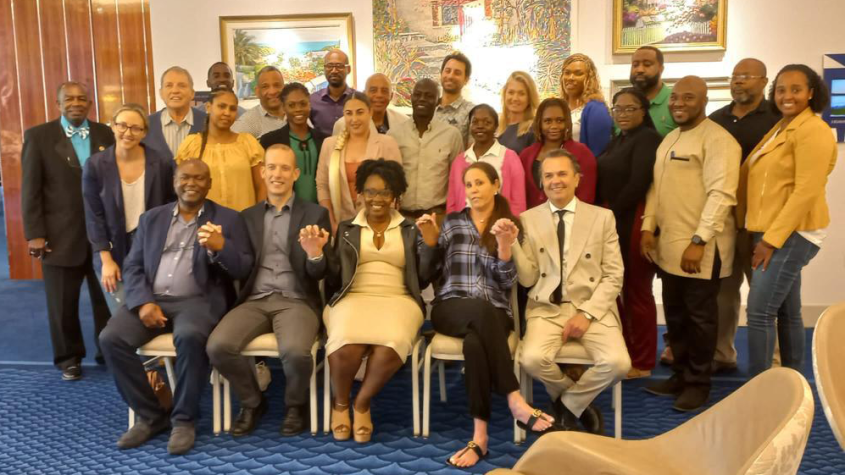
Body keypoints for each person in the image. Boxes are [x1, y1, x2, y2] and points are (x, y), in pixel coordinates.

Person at [99, 159, 253, 454]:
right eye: (185, 177)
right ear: (174, 181)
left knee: (190, 337)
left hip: (198, 301)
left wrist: (220, 248)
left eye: (199, 178)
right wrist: (143, 302)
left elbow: (243, 268)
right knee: (111, 339)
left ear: (209, 184)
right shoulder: (151, 219)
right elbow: (132, 267)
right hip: (152, 299)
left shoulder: (229, 219)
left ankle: (184, 420)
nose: (191, 183)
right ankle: (152, 415)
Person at [418, 162, 555, 468]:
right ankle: (515, 400)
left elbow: (507, 284)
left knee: (475, 344)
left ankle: (479, 438)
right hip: (450, 307)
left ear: (496, 184)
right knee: (479, 311)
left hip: (494, 312)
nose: (474, 190)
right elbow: (427, 274)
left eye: (480, 183)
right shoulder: (451, 223)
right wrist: (429, 243)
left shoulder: (507, 225)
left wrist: (505, 246)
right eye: (468, 185)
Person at [207, 145, 332, 437]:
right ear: (262, 172)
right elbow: (238, 268)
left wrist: (315, 255)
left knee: (296, 353)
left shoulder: (315, 213)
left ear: (295, 174)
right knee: (218, 346)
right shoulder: (245, 217)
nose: (278, 174)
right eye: (272, 167)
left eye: (285, 168)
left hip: (296, 299)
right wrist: (219, 250)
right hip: (254, 299)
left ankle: (295, 405)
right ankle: (253, 402)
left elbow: (322, 272)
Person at [641, 76, 740, 412]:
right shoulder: (669, 138)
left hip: (700, 250)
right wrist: (647, 227)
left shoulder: (719, 141)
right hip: (668, 249)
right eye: (676, 97)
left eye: (689, 97)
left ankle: (698, 384)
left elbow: (722, 195)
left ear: (704, 100)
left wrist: (699, 241)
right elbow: (656, 189)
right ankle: (681, 376)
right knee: (677, 316)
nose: (679, 103)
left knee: (700, 319)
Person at [513, 149, 629, 433]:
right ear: (541, 182)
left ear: (577, 178)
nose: (556, 181)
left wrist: (587, 314)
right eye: (548, 175)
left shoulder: (602, 218)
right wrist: (512, 243)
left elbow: (615, 275)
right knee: (530, 359)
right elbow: (528, 280)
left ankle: (564, 407)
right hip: (546, 307)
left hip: (592, 307)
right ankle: (581, 404)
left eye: (563, 174)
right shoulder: (527, 219)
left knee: (618, 363)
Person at [321, 159, 436, 443]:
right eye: (370, 192)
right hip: (353, 296)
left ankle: (361, 403)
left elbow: (422, 278)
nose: (377, 199)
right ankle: (340, 404)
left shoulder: (410, 229)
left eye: (385, 192)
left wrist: (432, 246)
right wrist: (318, 253)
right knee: (346, 340)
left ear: (395, 196)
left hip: (399, 298)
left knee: (392, 341)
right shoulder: (347, 227)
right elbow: (335, 276)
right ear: (360, 193)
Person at [738, 64, 837, 378]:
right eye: (781, 90)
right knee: (787, 311)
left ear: (811, 93)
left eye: (796, 89)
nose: (787, 95)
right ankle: (795, 383)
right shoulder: (783, 126)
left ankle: (760, 389)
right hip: (773, 229)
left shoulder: (814, 130)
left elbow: (806, 190)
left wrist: (770, 240)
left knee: (758, 312)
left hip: (792, 232)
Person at [21, 81, 113, 381]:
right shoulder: (39, 137)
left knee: (107, 299)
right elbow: (30, 190)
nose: (76, 103)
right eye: (69, 99)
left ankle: (107, 350)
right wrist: (35, 233)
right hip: (59, 235)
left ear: (89, 103)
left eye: (82, 99)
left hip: (102, 235)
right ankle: (69, 358)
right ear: (58, 104)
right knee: (62, 302)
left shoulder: (105, 134)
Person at [708, 58, 781, 373]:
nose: (738, 81)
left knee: (764, 298)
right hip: (723, 222)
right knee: (723, 295)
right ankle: (722, 353)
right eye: (735, 76)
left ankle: (774, 363)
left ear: (764, 81)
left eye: (746, 76)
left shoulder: (778, 120)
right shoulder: (715, 120)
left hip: (762, 224)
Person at [82, 104, 177, 312]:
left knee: (152, 309)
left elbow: (171, 207)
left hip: (151, 246)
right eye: (122, 125)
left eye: (135, 128)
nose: (128, 132)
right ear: (113, 127)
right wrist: (105, 259)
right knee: (124, 314)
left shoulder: (161, 162)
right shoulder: (95, 165)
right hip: (112, 249)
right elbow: (93, 217)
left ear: (144, 132)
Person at [595, 88, 662, 378]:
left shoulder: (648, 139)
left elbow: (638, 183)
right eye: (617, 108)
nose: (622, 113)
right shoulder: (619, 140)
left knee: (637, 291)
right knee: (617, 290)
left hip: (633, 218)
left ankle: (644, 361)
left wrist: (607, 216)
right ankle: (625, 349)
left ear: (643, 111)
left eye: (629, 108)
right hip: (614, 217)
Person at [317, 92, 402, 231]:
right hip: (341, 223)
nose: (354, 119)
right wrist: (332, 223)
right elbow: (322, 186)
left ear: (370, 112)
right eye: (349, 113)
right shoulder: (329, 145)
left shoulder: (387, 143)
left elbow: (397, 189)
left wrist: (384, 224)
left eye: (360, 112)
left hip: (380, 223)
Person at [175, 89, 266, 211]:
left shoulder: (248, 143)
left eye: (232, 109)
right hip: (205, 224)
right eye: (221, 106)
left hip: (244, 223)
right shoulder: (191, 145)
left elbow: (262, 186)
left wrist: (258, 218)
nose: (227, 113)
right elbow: (183, 188)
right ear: (208, 107)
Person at [387, 78, 463, 220]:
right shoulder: (394, 135)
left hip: (437, 217)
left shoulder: (451, 135)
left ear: (438, 101)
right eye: (418, 95)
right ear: (411, 98)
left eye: (429, 96)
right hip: (401, 217)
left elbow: (457, 181)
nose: (422, 99)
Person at [447, 104, 526, 215]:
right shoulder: (459, 162)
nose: (480, 126)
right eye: (475, 122)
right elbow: (452, 204)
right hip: (464, 229)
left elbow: (518, 204)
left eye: (487, 122)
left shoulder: (510, 158)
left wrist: (508, 228)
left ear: (496, 126)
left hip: (499, 228)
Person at [519, 98, 596, 207]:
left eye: (560, 120)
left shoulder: (582, 153)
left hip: (572, 219)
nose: (554, 126)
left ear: (567, 122)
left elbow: (586, 197)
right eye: (548, 121)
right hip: (533, 220)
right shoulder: (526, 156)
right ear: (540, 123)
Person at [261, 82, 327, 204]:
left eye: (303, 104)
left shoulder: (324, 140)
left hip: (319, 211)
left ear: (309, 105)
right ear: (284, 108)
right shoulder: (269, 141)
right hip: (285, 210)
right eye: (291, 105)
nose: (298, 109)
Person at [143, 66, 206, 160]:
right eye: (169, 85)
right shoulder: (146, 124)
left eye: (182, 85)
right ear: (161, 93)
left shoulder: (208, 122)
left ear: (192, 93)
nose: (175, 91)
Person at [560, 54, 613, 156]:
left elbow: (598, 153)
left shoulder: (596, 109)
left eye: (578, 73)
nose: (571, 78)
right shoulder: (559, 107)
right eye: (567, 73)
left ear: (589, 78)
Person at [332, 73, 410, 135]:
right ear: (364, 94)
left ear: (391, 96)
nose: (379, 95)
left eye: (384, 91)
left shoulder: (404, 122)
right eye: (373, 90)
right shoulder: (343, 124)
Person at [630, 46, 677, 137]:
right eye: (635, 65)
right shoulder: (622, 103)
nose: (640, 70)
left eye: (647, 64)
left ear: (661, 69)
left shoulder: (675, 101)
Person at [310, 49, 356, 138]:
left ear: (348, 69)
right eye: (329, 66)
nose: (334, 70)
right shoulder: (313, 100)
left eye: (339, 66)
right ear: (324, 69)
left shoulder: (358, 99)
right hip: (323, 151)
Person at [232, 65, 286, 139]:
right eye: (265, 86)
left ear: (285, 88)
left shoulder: (297, 113)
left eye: (277, 85)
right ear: (257, 91)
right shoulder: (248, 122)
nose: (272, 91)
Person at [435, 52, 475, 146]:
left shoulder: (472, 112)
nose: (450, 76)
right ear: (441, 74)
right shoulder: (430, 108)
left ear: (466, 80)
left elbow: (473, 154)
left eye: (457, 73)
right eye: (447, 71)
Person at [497, 71, 539, 155]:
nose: (515, 98)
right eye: (511, 92)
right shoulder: (497, 126)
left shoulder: (533, 130)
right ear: (505, 94)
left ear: (529, 98)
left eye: (521, 94)